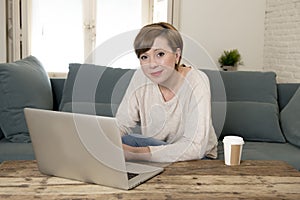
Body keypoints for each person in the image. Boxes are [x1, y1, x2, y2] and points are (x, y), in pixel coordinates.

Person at [116, 22, 218, 162]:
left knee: (128, 146)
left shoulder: (197, 81)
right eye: (144, 57)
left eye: (160, 54)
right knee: (120, 140)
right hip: (158, 148)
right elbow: (121, 124)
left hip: (197, 156)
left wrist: (134, 153)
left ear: (176, 55)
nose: (152, 64)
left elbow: (195, 147)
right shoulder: (140, 77)